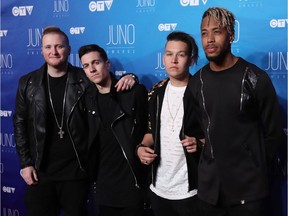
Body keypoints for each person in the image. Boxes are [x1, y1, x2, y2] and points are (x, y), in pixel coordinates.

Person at [13, 26, 137, 216]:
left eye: (59, 46)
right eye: (48, 47)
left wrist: (130, 77)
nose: (53, 52)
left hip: (77, 172)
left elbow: (107, 84)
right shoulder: (28, 83)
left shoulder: (84, 78)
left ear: (69, 50)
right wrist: (25, 163)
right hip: (41, 172)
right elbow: (19, 123)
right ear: (41, 50)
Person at [189, 7, 283, 216]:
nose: (210, 39)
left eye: (217, 31)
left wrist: (252, 168)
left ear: (231, 35)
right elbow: (195, 130)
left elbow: (274, 134)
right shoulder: (197, 83)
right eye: (204, 33)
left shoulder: (255, 78)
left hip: (248, 193)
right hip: (209, 193)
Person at [136, 31, 204, 216]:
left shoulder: (202, 93)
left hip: (192, 191)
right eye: (169, 54)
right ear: (164, 58)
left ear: (191, 60)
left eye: (180, 55)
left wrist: (200, 143)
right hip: (158, 189)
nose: (174, 60)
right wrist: (141, 147)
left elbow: (219, 135)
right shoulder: (155, 93)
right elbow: (151, 132)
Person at [78, 44, 149, 216]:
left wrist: (132, 77)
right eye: (86, 66)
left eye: (96, 63)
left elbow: (150, 127)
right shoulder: (85, 99)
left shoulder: (133, 92)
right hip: (103, 187)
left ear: (107, 64)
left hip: (132, 183)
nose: (92, 69)